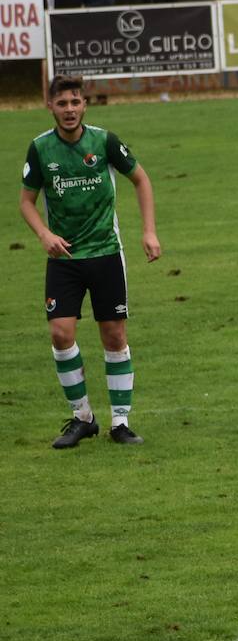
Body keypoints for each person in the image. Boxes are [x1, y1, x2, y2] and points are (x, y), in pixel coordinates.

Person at [19, 75, 162, 449]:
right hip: (64, 257)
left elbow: (141, 180)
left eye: (75, 102)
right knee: (60, 333)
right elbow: (26, 202)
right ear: (50, 106)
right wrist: (44, 235)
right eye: (62, 103)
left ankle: (120, 423)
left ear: (84, 105)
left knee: (114, 336)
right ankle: (83, 418)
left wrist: (149, 231)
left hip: (105, 253)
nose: (69, 109)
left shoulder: (104, 141)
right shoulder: (40, 148)